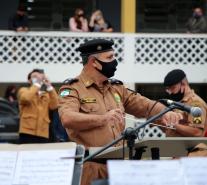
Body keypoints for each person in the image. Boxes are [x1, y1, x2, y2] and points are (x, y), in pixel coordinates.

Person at [58, 39, 182, 185]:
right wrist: (102, 119)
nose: (114, 62)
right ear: (94, 62)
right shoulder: (73, 88)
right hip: (91, 167)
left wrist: (165, 111)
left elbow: (145, 105)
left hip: (119, 167)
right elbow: (67, 118)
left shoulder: (116, 88)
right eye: (110, 58)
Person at [163, 69, 207, 137]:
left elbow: (197, 132)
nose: (170, 92)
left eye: (173, 88)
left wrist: (173, 125)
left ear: (183, 84)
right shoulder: (179, 102)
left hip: (188, 147)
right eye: (168, 89)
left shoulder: (196, 104)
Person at [18, 69, 58, 144]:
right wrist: (36, 85)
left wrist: (49, 87)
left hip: (43, 132)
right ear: (29, 80)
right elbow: (26, 98)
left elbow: (55, 105)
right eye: (35, 76)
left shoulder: (46, 95)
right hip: (27, 132)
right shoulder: (23, 90)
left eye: (40, 77)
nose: (38, 78)